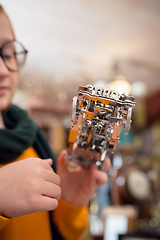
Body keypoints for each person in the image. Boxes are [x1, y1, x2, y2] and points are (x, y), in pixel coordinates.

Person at [0, 5, 111, 240]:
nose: (2, 70)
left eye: (7, 54)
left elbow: (60, 233)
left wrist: (68, 200)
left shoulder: (30, 138)